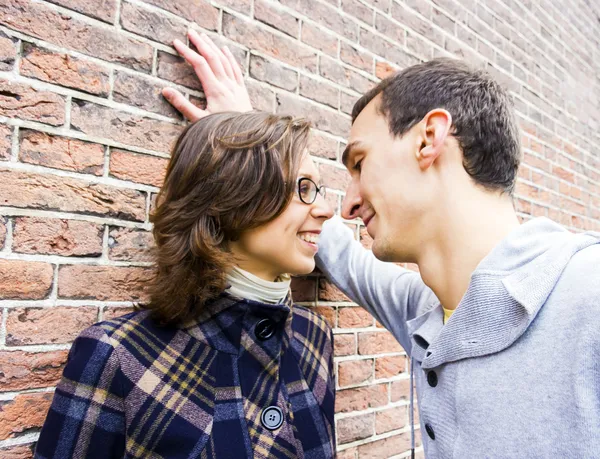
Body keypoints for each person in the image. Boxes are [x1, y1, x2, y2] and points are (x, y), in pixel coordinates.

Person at [165, 31, 600, 459]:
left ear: (429, 139)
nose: (349, 205)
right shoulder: (428, 311)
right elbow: (344, 255)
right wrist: (252, 149)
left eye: (360, 162)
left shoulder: (588, 293)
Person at [35, 110, 336, 458]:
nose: (327, 209)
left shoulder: (314, 336)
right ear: (232, 197)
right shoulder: (118, 355)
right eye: (304, 188)